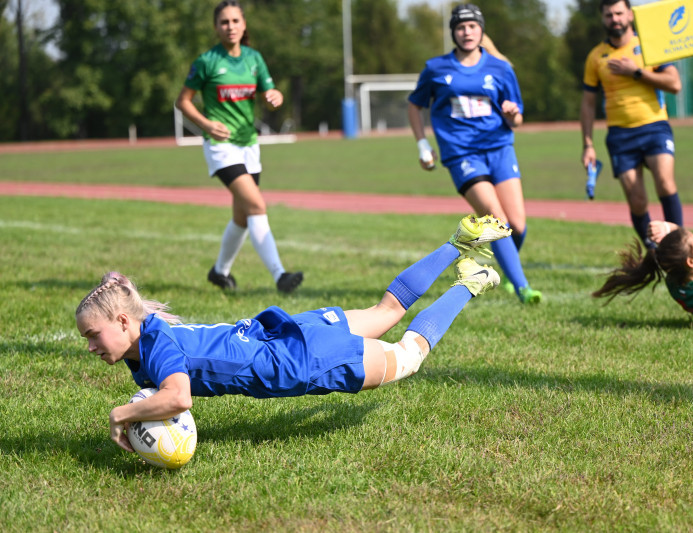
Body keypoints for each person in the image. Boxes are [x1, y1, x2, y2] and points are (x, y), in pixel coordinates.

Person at [76, 215, 509, 452]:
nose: (91, 346)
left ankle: (470, 281)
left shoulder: (155, 347)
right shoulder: (147, 335)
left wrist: (123, 415)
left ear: (122, 322)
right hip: (286, 330)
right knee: (387, 309)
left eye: (93, 335)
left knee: (408, 356)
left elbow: (179, 397)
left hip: (298, 362)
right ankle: (459, 241)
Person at [407, 3, 541, 305]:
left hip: (500, 149)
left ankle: (502, 268)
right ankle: (523, 289)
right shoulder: (436, 68)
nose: (467, 32)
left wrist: (511, 113)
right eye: (461, 27)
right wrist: (423, 145)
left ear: (481, 30)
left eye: (472, 26)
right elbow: (414, 105)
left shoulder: (501, 68)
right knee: (497, 219)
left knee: (517, 225)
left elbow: (517, 119)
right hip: (461, 153)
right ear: (453, 32)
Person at [175, 0, 303, 294]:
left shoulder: (254, 59)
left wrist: (275, 95)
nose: (230, 27)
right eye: (224, 22)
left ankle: (219, 272)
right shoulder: (206, 62)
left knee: (242, 216)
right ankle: (280, 276)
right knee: (257, 205)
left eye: (235, 21)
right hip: (221, 147)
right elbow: (182, 101)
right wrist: (206, 125)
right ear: (216, 27)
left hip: (249, 145)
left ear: (243, 25)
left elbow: (269, 90)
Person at [580, 0, 684, 248]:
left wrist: (635, 71)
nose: (614, 19)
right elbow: (588, 104)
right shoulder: (596, 57)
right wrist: (587, 144)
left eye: (618, 13)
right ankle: (654, 251)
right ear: (603, 19)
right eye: (608, 15)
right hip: (620, 136)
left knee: (665, 183)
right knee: (637, 201)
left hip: (654, 127)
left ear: (629, 14)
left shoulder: (648, 45)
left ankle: (678, 246)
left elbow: (674, 84)